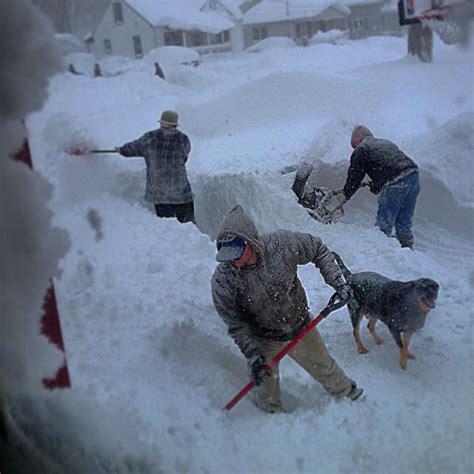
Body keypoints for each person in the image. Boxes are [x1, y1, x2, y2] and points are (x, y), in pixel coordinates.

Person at [211, 205, 363, 413]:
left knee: (325, 367)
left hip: (301, 326)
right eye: (227, 256)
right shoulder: (224, 280)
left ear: (251, 241)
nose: (234, 261)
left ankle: (350, 396)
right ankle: (272, 418)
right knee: (266, 389)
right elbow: (235, 323)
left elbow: (317, 248)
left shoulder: (281, 245)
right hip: (262, 338)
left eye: (237, 253)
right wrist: (254, 355)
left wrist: (337, 281)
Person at [337, 125, 420, 249]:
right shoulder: (385, 143)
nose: (354, 149)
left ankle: (381, 250)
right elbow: (387, 165)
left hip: (395, 182)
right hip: (413, 175)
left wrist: (346, 194)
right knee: (404, 218)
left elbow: (355, 176)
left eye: (354, 146)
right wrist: (376, 186)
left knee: (384, 222)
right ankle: (406, 246)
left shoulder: (362, 149)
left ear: (359, 140)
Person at [116, 110, 195, 224]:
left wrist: (121, 149)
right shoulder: (183, 139)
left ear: (161, 123)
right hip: (181, 194)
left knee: (168, 228)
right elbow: (184, 158)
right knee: (189, 226)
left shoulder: (150, 138)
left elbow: (129, 150)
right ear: (175, 125)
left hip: (159, 195)